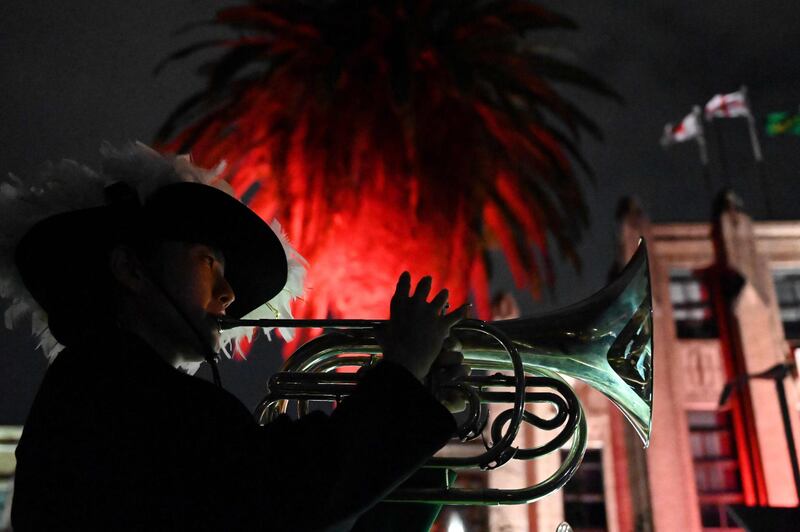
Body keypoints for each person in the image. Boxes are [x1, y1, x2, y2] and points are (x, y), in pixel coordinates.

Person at [1, 143, 467, 531]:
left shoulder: (106, 385)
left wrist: (415, 402)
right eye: (209, 261)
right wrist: (403, 371)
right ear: (130, 270)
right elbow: (291, 496)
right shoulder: (116, 392)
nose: (228, 294)